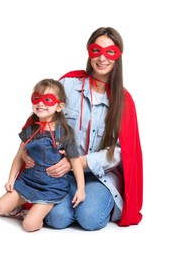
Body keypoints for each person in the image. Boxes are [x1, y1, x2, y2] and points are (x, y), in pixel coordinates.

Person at [21, 26, 143, 230]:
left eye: (110, 52)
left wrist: (79, 162)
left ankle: (93, 202)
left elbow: (122, 153)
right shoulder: (67, 84)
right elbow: (41, 117)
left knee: (90, 218)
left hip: (100, 176)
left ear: (118, 56)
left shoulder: (123, 101)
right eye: (97, 50)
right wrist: (27, 149)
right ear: (89, 52)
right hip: (60, 173)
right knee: (58, 219)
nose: (102, 58)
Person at [0, 79, 86, 232]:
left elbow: (75, 161)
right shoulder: (30, 129)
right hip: (27, 182)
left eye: (48, 100)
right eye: (37, 98)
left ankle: (36, 216)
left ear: (59, 106)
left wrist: (81, 189)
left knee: (29, 226)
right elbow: (19, 155)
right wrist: (11, 180)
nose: (41, 103)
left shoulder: (65, 132)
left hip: (51, 188)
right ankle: (24, 210)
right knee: (0, 207)